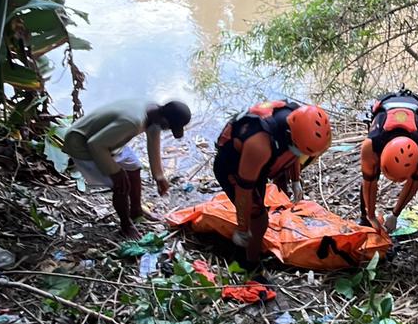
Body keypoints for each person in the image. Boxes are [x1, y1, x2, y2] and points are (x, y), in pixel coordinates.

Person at [213, 99, 332, 265]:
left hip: (261, 159)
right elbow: (243, 190)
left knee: (278, 190)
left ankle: (250, 248)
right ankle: (248, 262)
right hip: (233, 166)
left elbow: (294, 154)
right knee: (259, 219)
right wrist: (242, 227)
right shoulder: (259, 145)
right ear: (291, 135)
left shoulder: (299, 120)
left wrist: (295, 180)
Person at [63, 98, 191, 237]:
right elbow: (95, 145)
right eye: (169, 127)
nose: (167, 130)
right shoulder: (133, 122)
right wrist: (115, 172)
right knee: (121, 185)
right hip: (82, 143)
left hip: (108, 141)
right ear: (164, 121)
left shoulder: (153, 111)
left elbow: (153, 138)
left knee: (134, 167)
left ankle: (136, 211)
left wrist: (159, 176)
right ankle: (126, 225)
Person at [360, 89, 418, 257]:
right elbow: (369, 182)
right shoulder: (371, 146)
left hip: (416, 119)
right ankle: (364, 220)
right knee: (368, 177)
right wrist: (372, 215)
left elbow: (414, 184)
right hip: (386, 117)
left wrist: (395, 214)